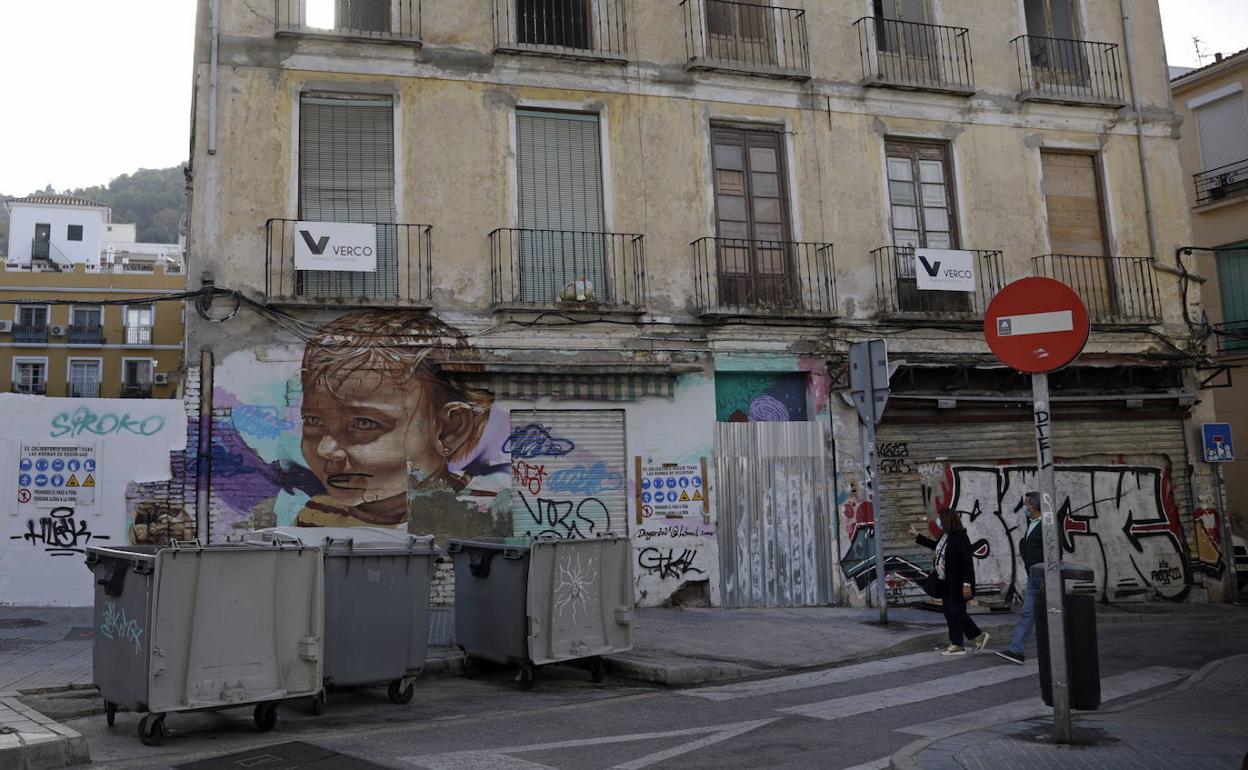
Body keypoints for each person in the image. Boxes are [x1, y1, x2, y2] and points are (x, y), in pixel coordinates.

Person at [295, 311, 495, 527]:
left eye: (364, 423)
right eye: (313, 420)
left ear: (449, 431)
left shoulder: (486, 512)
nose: (325, 450)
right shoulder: (317, 513)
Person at [912, 509, 989, 656]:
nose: (938, 521)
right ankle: (957, 644)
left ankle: (978, 635)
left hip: (959, 583)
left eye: (940, 518)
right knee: (949, 612)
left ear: (947, 519)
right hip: (945, 582)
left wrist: (967, 584)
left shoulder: (960, 537)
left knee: (956, 611)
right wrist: (918, 537)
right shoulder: (945, 536)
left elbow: (967, 562)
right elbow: (938, 548)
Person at [996, 491, 1045, 664]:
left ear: (1035, 506)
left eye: (1027, 504)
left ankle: (1061, 648)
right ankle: (1016, 650)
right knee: (1028, 612)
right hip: (1033, 575)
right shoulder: (1032, 523)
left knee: (1045, 614)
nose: (1025, 507)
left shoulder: (1048, 525)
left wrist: (1047, 579)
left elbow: (1056, 553)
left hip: (1043, 577)